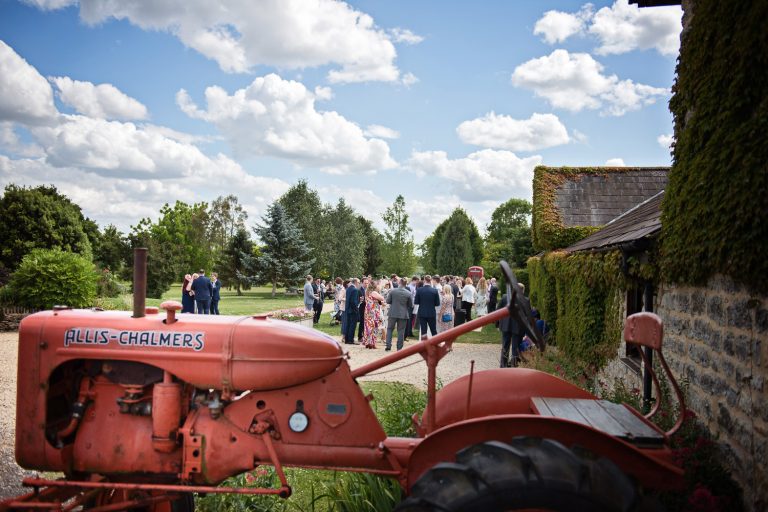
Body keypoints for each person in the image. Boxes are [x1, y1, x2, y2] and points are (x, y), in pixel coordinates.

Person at [498, 283, 530, 368]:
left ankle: (503, 365)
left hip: (505, 325)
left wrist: (499, 323)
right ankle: (514, 365)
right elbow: (528, 315)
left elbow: (498, 310)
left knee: (505, 345)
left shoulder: (505, 297)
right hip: (518, 326)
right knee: (515, 347)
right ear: (522, 290)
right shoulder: (525, 300)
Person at [385, 278, 413, 351]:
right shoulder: (408, 293)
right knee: (401, 331)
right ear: (405, 284)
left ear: (399, 282)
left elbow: (388, 301)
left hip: (393, 312)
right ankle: (399, 347)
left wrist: (394, 303)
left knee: (390, 329)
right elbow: (411, 305)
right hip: (403, 314)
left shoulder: (393, 291)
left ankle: (388, 345)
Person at [362, 281, 385, 349]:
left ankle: (367, 343)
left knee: (367, 327)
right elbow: (382, 298)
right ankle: (372, 343)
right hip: (373, 312)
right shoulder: (374, 292)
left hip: (368, 311)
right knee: (374, 327)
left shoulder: (367, 292)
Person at [343, 279, 360, 344]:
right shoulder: (354, 290)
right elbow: (353, 301)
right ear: (355, 282)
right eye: (358, 282)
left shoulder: (348, 288)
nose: (359, 284)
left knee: (348, 325)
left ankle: (347, 339)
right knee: (352, 325)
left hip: (348, 309)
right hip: (353, 310)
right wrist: (356, 309)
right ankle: (350, 340)